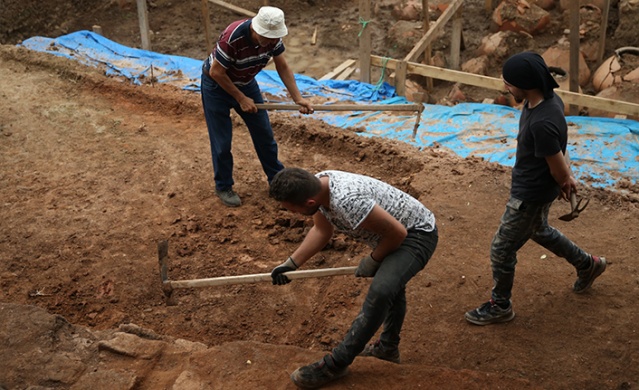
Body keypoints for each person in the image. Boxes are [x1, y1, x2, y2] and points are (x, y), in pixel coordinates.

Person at [464, 52, 607, 326]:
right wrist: (566, 178)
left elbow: (556, 162)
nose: (506, 87)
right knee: (540, 230)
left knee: (501, 249)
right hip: (534, 189)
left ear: (526, 84)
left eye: (509, 83)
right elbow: (558, 150)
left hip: (529, 196)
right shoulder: (544, 101)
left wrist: (565, 178)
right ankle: (588, 264)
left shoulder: (542, 121)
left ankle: (500, 305)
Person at [269, 168, 438, 388]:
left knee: (382, 290)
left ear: (309, 203)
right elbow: (322, 231)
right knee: (391, 286)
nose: (290, 213)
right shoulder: (318, 185)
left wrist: (374, 260)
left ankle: (336, 363)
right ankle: (387, 348)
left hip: (416, 234)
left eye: (291, 209)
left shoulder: (347, 202)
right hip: (392, 233)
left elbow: (397, 234)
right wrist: (291, 264)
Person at [201, 6, 313, 207]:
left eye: (273, 38)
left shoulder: (273, 39)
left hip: (246, 83)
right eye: (267, 37)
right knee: (222, 143)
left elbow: (282, 66)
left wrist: (298, 98)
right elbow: (216, 73)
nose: (271, 42)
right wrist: (240, 98)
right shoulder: (232, 37)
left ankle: (277, 182)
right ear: (256, 29)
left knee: (265, 136)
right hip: (216, 87)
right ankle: (224, 185)